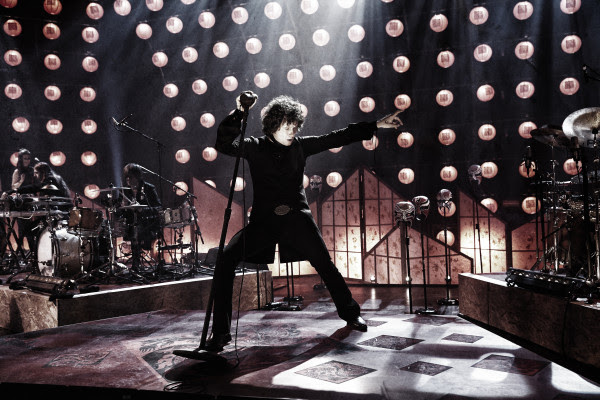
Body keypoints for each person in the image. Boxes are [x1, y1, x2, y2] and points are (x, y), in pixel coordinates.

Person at [206, 93, 403, 352]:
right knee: (225, 260)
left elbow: (337, 137)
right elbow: (223, 143)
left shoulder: (300, 146)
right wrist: (240, 112)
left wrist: (375, 125)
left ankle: (351, 313)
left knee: (325, 264)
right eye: (287, 126)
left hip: (297, 219)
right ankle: (220, 334)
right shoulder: (254, 146)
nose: (292, 131)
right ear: (273, 125)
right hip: (264, 222)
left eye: (295, 126)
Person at [117, 163, 162, 269]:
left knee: (137, 230)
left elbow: (159, 208)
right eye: (126, 177)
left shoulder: (149, 188)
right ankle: (134, 263)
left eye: (130, 177)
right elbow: (119, 212)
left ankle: (136, 263)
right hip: (131, 223)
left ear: (137, 176)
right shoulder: (124, 191)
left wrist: (142, 209)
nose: (128, 179)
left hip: (147, 223)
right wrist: (121, 207)